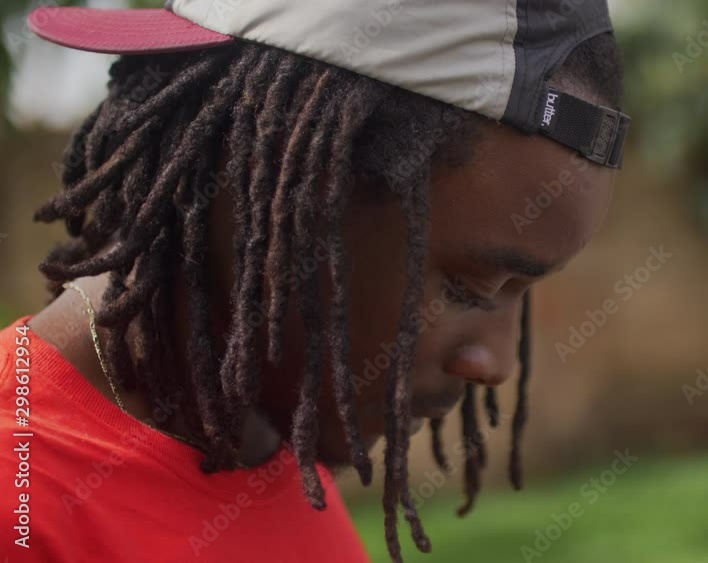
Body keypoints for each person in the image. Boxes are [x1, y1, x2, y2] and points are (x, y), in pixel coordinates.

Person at [0, 1, 629, 561]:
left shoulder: (261, 426)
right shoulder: (21, 504)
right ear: (282, 192)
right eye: (472, 287)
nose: (494, 364)